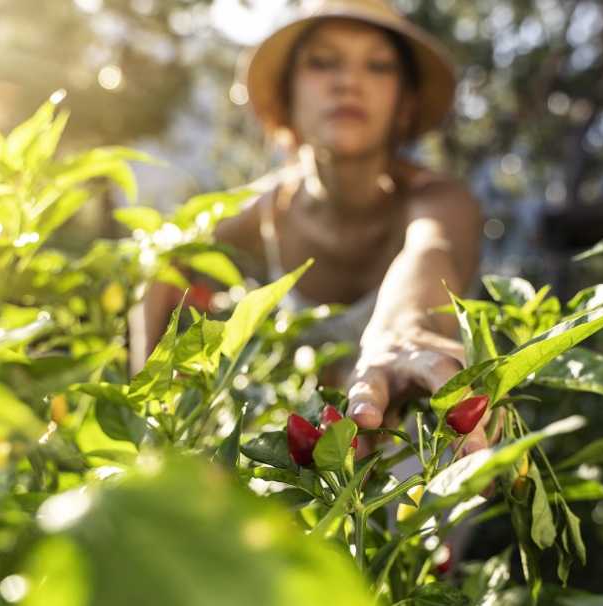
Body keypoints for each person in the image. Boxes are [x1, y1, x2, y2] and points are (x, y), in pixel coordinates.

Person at [133, 0, 487, 454]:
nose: (348, 82)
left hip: (424, 454)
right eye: (322, 63)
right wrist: (147, 405)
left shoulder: (440, 200)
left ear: (405, 103)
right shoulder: (261, 210)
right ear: (288, 96)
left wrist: (403, 332)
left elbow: (429, 252)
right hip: (310, 462)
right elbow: (164, 259)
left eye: (378, 66)